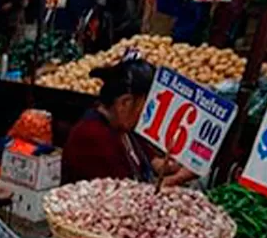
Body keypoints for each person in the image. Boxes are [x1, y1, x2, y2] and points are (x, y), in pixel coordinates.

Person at [61, 58, 194, 186]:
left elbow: (155, 163)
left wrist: (173, 166)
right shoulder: (91, 136)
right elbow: (123, 197)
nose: (152, 116)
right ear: (125, 103)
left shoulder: (125, 127)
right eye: (149, 106)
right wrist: (176, 180)